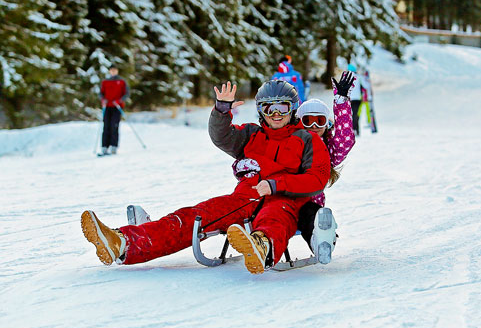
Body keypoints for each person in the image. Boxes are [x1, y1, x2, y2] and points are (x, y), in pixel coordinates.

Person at [81, 79, 331, 275]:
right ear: (260, 111)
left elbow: (316, 179)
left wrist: (277, 184)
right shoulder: (252, 134)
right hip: (244, 198)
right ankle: (124, 242)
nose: (276, 114)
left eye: (282, 107)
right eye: (269, 108)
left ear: (293, 109)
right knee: (195, 215)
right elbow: (222, 137)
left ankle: (260, 247)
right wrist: (221, 111)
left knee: (275, 219)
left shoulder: (307, 139)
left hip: (285, 201)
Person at [295, 72, 356, 264]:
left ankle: (319, 242)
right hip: (281, 197)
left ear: (326, 124)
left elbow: (346, 140)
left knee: (309, 219)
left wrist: (341, 102)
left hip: (309, 203)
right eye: (308, 121)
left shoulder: (329, 148)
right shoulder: (290, 142)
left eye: (319, 121)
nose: (313, 126)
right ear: (299, 122)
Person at [99, 67, 129, 155]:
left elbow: (126, 94)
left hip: (117, 107)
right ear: (109, 71)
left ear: (117, 71)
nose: (113, 72)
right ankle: (104, 147)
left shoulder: (122, 81)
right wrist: (103, 99)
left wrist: (119, 100)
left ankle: (114, 146)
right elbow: (101, 93)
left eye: (115, 70)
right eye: (111, 70)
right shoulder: (105, 81)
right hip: (107, 107)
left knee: (114, 126)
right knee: (106, 126)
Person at [347, 64, 363, 136]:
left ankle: (352, 130)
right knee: (356, 114)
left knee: (350, 115)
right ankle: (356, 129)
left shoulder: (347, 78)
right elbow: (365, 86)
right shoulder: (359, 77)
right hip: (357, 99)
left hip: (349, 99)